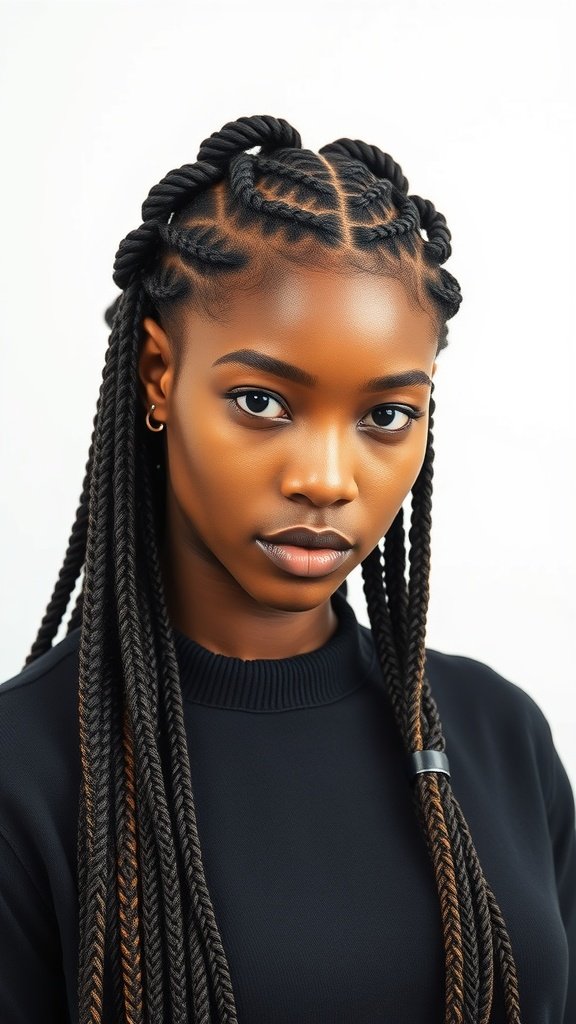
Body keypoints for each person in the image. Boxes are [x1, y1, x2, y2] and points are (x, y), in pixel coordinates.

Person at [0, 114, 573, 1024]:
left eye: (386, 416)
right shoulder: (25, 770)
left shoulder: (499, 736)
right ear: (158, 374)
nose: (327, 480)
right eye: (262, 402)